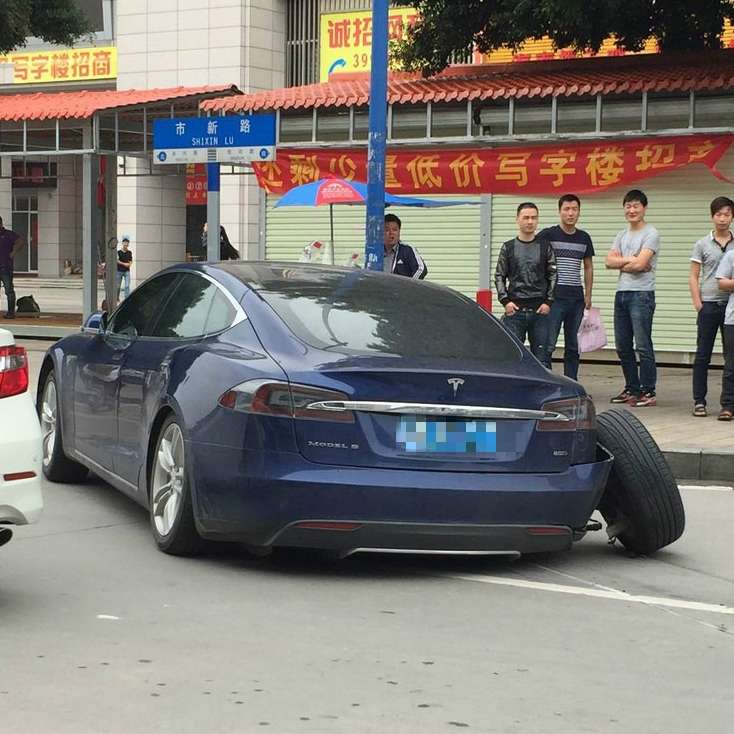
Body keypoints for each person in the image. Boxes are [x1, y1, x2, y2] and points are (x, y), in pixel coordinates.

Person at [605, 189, 660, 407]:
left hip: (642, 294)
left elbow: (641, 264)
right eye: (628, 206)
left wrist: (626, 263)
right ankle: (632, 388)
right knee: (623, 345)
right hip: (622, 293)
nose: (632, 210)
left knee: (643, 345)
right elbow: (609, 261)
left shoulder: (651, 233)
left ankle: (648, 391)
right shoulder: (621, 234)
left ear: (644, 208)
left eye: (636, 206)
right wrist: (633, 260)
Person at [539, 193, 594, 381]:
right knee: (548, 344)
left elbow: (588, 267)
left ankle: (571, 383)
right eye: (567, 209)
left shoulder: (584, 237)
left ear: (579, 212)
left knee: (573, 346)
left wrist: (588, 295)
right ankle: (547, 383)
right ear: (559, 211)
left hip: (577, 299)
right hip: (554, 299)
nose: (570, 213)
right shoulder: (548, 235)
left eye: (574, 209)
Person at [495, 202, 557, 367]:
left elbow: (553, 274)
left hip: (540, 311)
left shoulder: (545, 246)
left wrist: (548, 302)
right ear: (517, 219)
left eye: (534, 218)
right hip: (515, 311)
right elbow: (499, 275)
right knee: (512, 358)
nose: (530, 221)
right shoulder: (508, 247)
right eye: (526, 217)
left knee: (543, 360)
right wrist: (505, 301)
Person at [689, 196, 734, 417]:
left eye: (727, 214)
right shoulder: (702, 244)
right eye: (718, 214)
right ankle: (699, 401)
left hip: (730, 306)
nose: (722, 219)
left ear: (732, 217)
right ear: (712, 216)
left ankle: (728, 404)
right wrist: (698, 304)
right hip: (708, 305)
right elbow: (693, 275)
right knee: (702, 355)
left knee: (730, 357)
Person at [715, 246, 734, 421]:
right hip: (732, 320)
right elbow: (722, 283)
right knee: (731, 365)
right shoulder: (731, 255)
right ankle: (728, 405)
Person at [383, 213, 427, 278]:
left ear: (399, 231)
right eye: (387, 230)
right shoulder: (375, 251)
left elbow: (421, 269)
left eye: (394, 230)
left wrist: (410, 283)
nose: (391, 233)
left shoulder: (407, 250)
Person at [0, 217, 23, 319]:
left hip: (6, 267)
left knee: (9, 290)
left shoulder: (8, 234)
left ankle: (10, 312)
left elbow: (20, 241)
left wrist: (13, 252)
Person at [117, 236, 133, 300]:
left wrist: (129, 264)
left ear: (128, 244)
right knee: (118, 286)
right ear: (122, 243)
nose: (126, 244)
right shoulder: (118, 252)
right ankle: (117, 298)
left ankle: (126, 299)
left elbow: (130, 261)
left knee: (127, 286)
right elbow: (117, 261)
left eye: (127, 243)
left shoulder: (129, 252)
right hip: (119, 271)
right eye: (125, 243)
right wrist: (124, 264)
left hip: (127, 271)